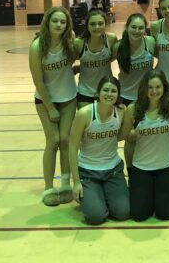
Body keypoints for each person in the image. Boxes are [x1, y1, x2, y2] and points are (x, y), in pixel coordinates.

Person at [29, 6, 78, 206]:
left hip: (68, 96)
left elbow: (71, 62)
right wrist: (50, 107)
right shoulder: (37, 46)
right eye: (55, 21)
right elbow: (37, 79)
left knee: (66, 139)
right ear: (47, 23)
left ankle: (66, 184)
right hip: (45, 99)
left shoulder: (69, 42)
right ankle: (49, 187)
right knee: (53, 140)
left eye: (63, 22)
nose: (59, 25)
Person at [69, 76, 131, 225]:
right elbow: (72, 148)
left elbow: (122, 136)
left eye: (113, 91)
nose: (109, 94)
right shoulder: (85, 114)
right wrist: (76, 182)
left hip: (113, 170)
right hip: (88, 172)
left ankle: (102, 194)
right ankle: (95, 196)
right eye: (106, 90)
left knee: (124, 213)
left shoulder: (121, 112)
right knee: (95, 217)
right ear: (98, 92)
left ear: (118, 95)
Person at [121, 70, 169, 221]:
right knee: (139, 215)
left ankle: (156, 196)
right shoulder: (133, 108)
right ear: (144, 88)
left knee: (166, 214)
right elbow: (125, 137)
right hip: (142, 167)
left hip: (167, 165)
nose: (154, 91)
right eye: (150, 87)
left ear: (164, 87)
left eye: (158, 87)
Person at [75, 10, 118, 106]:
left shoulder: (111, 39)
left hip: (106, 90)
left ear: (106, 24)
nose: (97, 27)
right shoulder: (79, 43)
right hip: (85, 90)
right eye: (93, 24)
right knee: (86, 119)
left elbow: (112, 58)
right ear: (87, 26)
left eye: (100, 23)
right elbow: (69, 62)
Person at [113, 13, 155, 105]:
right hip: (124, 96)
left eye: (141, 28)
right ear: (127, 27)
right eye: (133, 27)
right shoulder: (118, 47)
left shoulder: (150, 42)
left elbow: (163, 59)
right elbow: (105, 63)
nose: (137, 31)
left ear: (145, 30)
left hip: (147, 95)